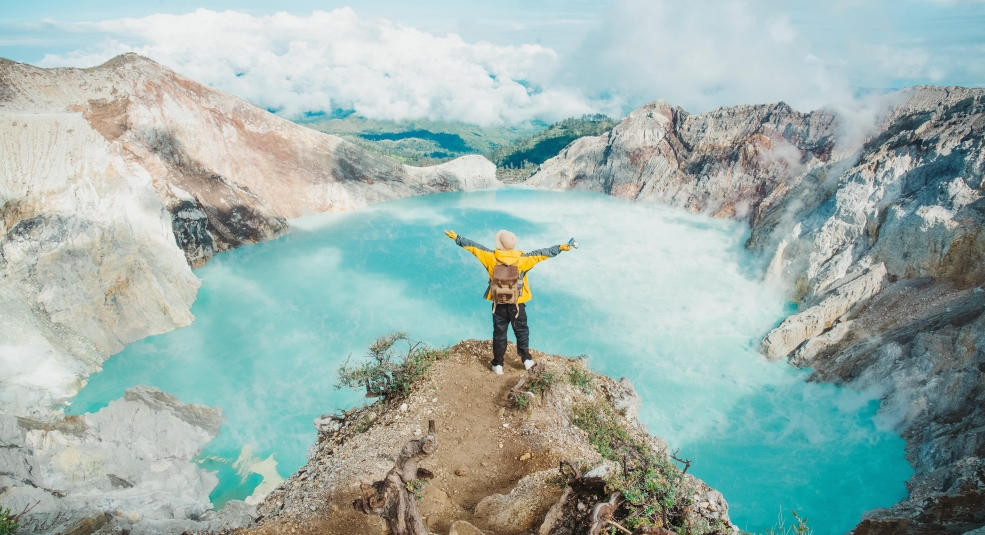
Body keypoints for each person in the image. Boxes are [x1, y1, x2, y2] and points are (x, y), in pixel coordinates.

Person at [444, 229, 573, 374]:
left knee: (500, 333)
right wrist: (561, 247)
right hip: (517, 303)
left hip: (498, 303)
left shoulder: (490, 257)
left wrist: (457, 238)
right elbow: (543, 253)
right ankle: (526, 360)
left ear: (499, 243)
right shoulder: (524, 259)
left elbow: (474, 247)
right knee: (522, 331)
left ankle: (498, 364)